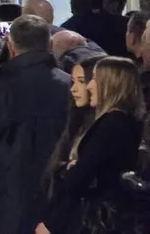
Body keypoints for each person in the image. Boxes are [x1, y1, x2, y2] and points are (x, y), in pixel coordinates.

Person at [0, 15, 69, 234]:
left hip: (3, 210)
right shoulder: (72, 89)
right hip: (59, 212)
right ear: (51, 45)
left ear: (10, 47)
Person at [38, 56, 143, 234]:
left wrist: (70, 169)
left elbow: (81, 177)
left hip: (96, 221)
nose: (88, 86)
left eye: (94, 78)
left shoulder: (111, 124)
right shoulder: (126, 122)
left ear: (111, 84)